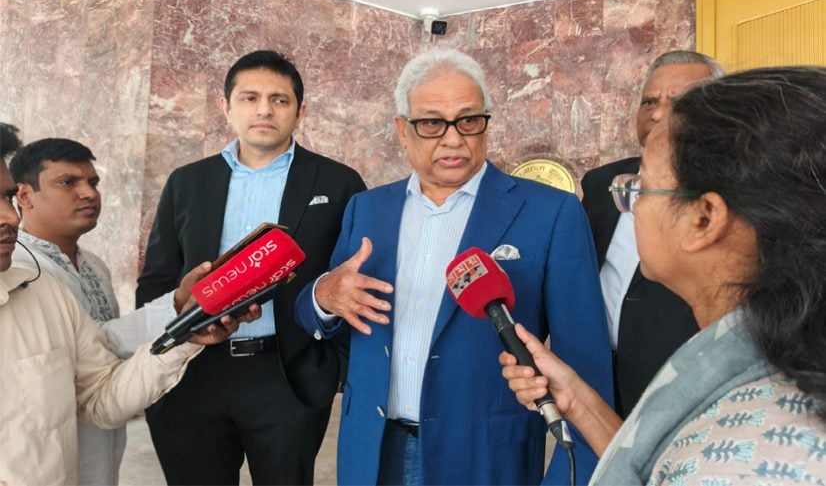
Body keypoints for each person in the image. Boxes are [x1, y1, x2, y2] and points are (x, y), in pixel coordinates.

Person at [294, 47, 613, 485]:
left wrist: (569, 476)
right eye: (431, 123)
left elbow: (585, 364)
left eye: (468, 120)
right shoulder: (366, 209)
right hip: (372, 450)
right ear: (402, 130)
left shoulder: (550, 212)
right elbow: (319, 313)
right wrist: (324, 296)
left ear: (486, 123)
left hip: (485, 458)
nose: (452, 138)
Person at [501, 66, 826, 485]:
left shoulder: (746, 459)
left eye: (641, 188)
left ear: (704, 218)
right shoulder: (758, 352)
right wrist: (579, 401)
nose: (630, 206)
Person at [136, 49, 366, 484]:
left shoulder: (339, 182)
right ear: (226, 107)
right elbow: (157, 278)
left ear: (300, 111)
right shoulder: (188, 181)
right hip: (192, 370)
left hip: (287, 374)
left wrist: (333, 366)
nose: (264, 110)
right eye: (249, 98)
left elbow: (353, 275)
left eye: (279, 99)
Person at [0, 148, 252, 485]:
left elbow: (98, 394)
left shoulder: (43, 290)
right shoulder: (32, 267)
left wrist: (183, 336)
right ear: (27, 196)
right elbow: (104, 341)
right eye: (68, 182)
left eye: (5, 198)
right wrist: (176, 308)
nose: (10, 217)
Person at [580, 51, 725, 417]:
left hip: (684, 388)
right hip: (595, 380)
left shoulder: (735, 196)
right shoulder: (600, 184)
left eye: (679, 102)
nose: (658, 115)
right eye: (650, 102)